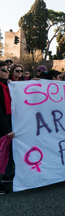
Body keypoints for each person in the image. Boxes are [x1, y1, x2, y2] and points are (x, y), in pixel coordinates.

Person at [0, 61, 15, 195]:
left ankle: (7, 176)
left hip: (6, 122)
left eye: (7, 69)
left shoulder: (6, 85)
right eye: (4, 70)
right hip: (2, 125)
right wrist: (6, 129)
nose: (7, 72)